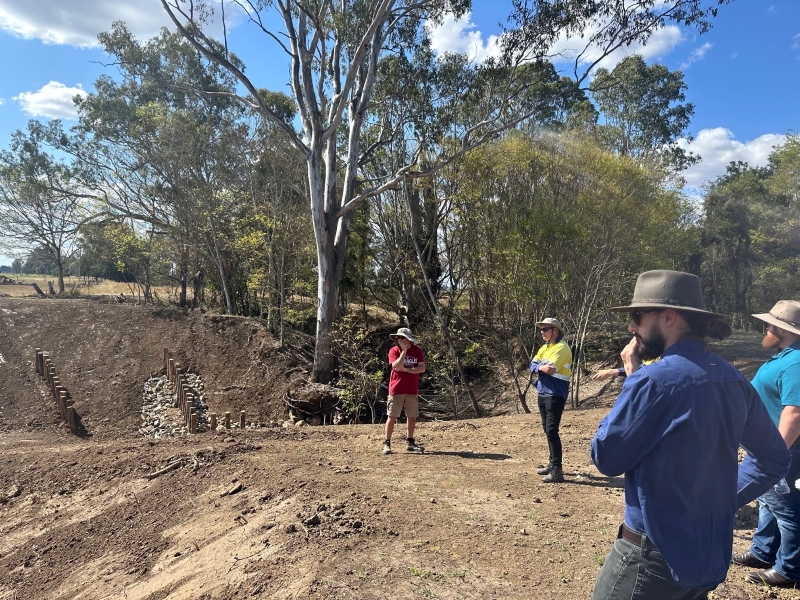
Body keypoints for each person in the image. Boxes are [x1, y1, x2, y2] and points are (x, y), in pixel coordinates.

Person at [591, 270, 790, 599]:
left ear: (668, 317)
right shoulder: (734, 379)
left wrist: (632, 378)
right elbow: (773, 457)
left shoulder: (652, 380)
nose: (631, 328)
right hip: (705, 552)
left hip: (652, 559)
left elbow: (607, 457)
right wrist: (720, 498)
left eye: (637, 316)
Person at [733, 300, 800, 587]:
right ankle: (763, 552)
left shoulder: (796, 362)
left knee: (786, 508)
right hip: (767, 448)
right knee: (768, 501)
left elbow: (794, 413)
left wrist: (775, 456)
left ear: (785, 328)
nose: (766, 328)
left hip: (783, 450)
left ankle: (790, 569)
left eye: (771, 324)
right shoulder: (786, 356)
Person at [529, 317, 572, 483]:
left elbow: (551, 369)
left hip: (555, 393)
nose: (542, 332)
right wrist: (541, 367)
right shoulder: (546, 347)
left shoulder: (562, 347)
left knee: (552, 431)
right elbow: (532, 365)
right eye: (541, 329)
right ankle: (551, 463)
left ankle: (557, 470)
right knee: (548, 430)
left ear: (555, 330)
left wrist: (539, 367)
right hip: (543, 392)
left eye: (545, 329)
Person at [383, 327, 426, 455]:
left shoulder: (417, 350)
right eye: (399, 337)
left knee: (412, 417)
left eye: (403, 337)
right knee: (392, 416)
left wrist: (407, 370)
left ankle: (410, 442)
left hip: (412, 389)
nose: (400, 340)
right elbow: (396, 366)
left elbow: (422, 368)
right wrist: (404, 352)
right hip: (396, 389)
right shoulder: (394, 350)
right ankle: (387, 443)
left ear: (409, 339)